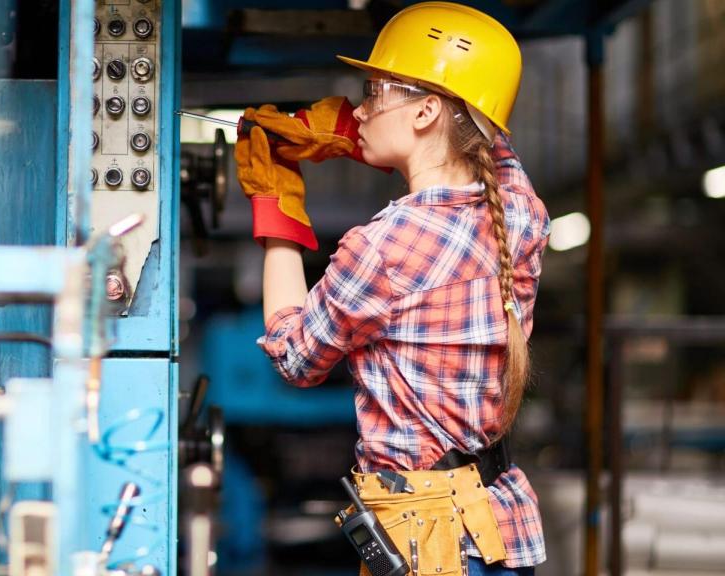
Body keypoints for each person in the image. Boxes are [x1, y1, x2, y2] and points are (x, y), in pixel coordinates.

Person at [233, 2, 549, 575]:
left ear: (427, 110)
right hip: (498, 525)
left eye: (373, 91)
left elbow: (296, 357)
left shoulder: (384, 245)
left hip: (428, 542)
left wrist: (275, 203)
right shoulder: (520, 210)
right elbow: (485, 143)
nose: (358, 107)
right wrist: (362, 131)